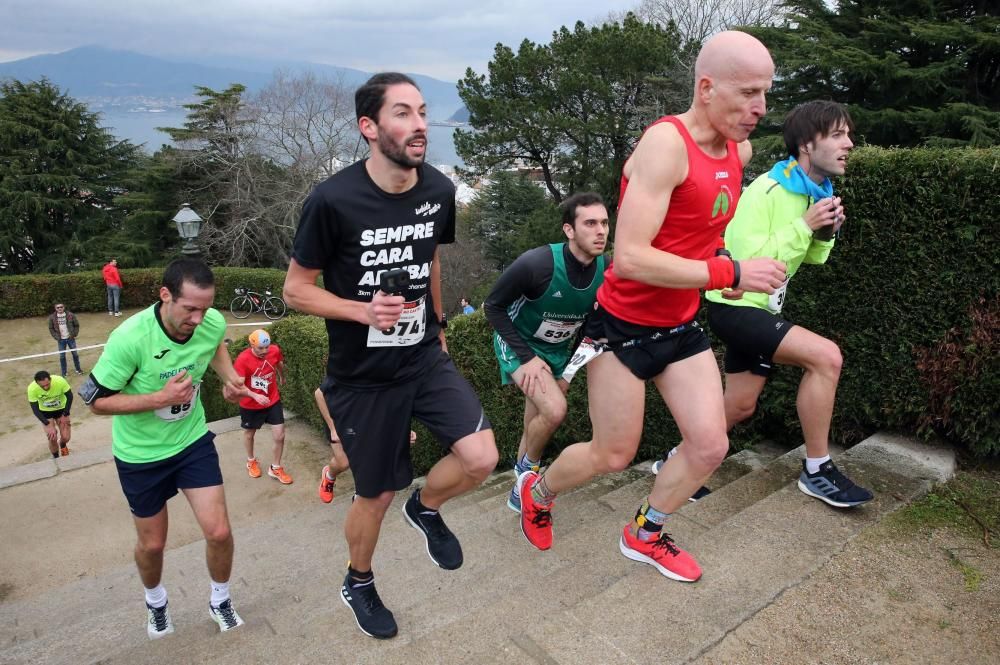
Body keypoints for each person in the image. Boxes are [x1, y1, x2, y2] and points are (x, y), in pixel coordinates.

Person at [516, 31, 787, 583]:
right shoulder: (664, 147)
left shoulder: (741, 149)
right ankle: (535, 490)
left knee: (711, 445)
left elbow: (702, 232)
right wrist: (729, 273)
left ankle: (645, 532)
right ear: (707, 88)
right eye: (749, 93)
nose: (761, 108)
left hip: (680, 324)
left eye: (766, 93)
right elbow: (632, 258)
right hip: (620, 329)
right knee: (612, 455)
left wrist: (722, 263)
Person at [284, 72, 498, 640]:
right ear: (369, 127)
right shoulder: (331, 200)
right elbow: (295, 290)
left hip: (423, 356)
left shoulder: (439, 189)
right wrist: (362, 311)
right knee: (375, 493)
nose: (420, 124)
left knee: (480, 458)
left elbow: (430, 259)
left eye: (422, 112)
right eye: (403, 113)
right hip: (361, 377)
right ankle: (358, 580)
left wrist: (441, 324)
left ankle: (426, 507)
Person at [79, 258, 267, 639]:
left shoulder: (210, 322)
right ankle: (156, 602)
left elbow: (214, 346)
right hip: (140, 455)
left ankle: (220, 599)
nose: (199, 319)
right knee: (153, 544)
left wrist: (230, 380)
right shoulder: (130, 339)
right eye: (190, 309)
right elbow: (95, 402)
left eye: (206, 307)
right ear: (165, 296)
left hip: (191, 441)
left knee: (218, 532)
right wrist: (158, 397)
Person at [695, 100, 869, 507]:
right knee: (826, 357)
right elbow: (743, 260)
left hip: (763, 310)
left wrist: (823, 234)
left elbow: (808, 259)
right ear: (808, 144)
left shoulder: (813, 193)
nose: (850, 143)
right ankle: (817, 469)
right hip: (734, 307)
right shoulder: (766, 190)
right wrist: (804, 225)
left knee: (739, 405)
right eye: (839, 134)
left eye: (849, 134)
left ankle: (677, 459)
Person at [484, 192, 608, 512]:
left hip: (555, 352)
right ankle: (527, 472)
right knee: (554, 411)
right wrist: (526, 358)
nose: (601, 231)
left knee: (538, 419)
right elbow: (493, 308)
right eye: (590, 223)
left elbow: (590, 330)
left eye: (605, 223)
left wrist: (566, 371)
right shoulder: (536, 263)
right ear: (569, 230)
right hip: (518, 344)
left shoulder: (606, 271)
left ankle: (517, 494)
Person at [314, 378, 417, 504]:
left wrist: (402, 431)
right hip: (339, 419)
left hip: (362, 419)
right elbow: (319, 394)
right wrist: (333, 428)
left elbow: (387, 405)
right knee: (343, 462)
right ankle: (329, 476)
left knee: (367, 457)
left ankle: (360, 496)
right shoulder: (350, 368)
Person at [233, 328, 292, 484]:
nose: (265, 351)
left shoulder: (274, 351)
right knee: (249, 434)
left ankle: (275, 467)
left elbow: (278, 363)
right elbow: (238, 385)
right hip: (250, 404)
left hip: (272, 399)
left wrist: (281, 376)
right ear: (252, 345)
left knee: (280, 435)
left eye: (267, 347)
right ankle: (251, 460)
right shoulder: (242, 360)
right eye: (260, 348)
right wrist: (255, 395)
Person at [27, 370, 73, 458]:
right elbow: (35, 409)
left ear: (50, 379)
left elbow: (70, 396)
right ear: (37, 383)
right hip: (45, 412)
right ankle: (56, 458)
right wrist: (47, 424)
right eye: (42, 386)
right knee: (52, 437)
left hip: (61, 410)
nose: (45, 387)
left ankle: (62, 444)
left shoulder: (60, 381)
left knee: (66, 437)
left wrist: (65, 414)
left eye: (47, 384)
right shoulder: (32, 388)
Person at [47, 303, 83, 376]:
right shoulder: (52, 317)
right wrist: (56, 337)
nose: (60, 308)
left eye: (61, 307)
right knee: (62, 357)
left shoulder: (70, 315)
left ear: (64, 307)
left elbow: (76, 325)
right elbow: (51, 328)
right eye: (58, 307)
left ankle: (78, 369)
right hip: (61, 340)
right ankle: (64, 372)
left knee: (75, 354)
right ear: (55, 308)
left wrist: (74, 334)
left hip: (70, 338)